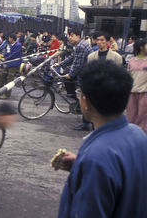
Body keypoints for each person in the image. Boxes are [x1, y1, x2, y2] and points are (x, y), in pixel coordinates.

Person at [56, 60, 147, 218]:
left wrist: (89, 166)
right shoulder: (138, 134)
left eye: (80, 93)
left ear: (86, 102)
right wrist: (81, 166)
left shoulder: (96, 157)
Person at [55, 29, 93, 131]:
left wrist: (71, 74)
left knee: (83, 97)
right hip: (84, 73)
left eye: (72, 35)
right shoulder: (79, 45)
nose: (70, 38)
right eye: (69, 36)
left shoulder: (81, 46)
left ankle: (86, 122)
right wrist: (60, 64)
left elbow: (78, 64)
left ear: (77, 35)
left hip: (86, 75)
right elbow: (72, 57)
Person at [126, 39, 147, 132]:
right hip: (132, 92)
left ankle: (142, 135)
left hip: (145, 92)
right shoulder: (131, 61)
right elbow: (128, 76)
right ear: (141, 47)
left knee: (143, 116)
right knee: (131, 115)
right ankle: (131, 134)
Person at [0, 33, 22, 99]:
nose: (8, 39)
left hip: (14, 63)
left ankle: (7, 95)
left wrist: (5, 59)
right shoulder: (10, 45)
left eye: (9, 38)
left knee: (9, 78)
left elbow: (14, 55)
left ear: (12, 39)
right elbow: (8, 53)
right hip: (9, 63)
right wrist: (2, 55)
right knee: (2, 76)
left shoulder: (18, 45)